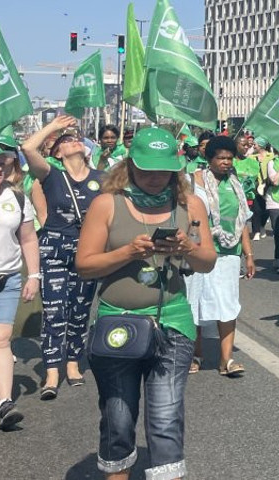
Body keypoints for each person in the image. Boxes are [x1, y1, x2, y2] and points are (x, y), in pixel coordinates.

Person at [76, 127, 217, 478]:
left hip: (172, 322)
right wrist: (126, 252)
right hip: (117, 324)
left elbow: (207, 262)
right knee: (118, 417)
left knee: (166, 417)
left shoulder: (191, 204)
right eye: (146, 169)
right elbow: (84, 266)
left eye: (163, 169)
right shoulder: (107, 203)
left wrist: (188, 248)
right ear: (130, 165)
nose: (155, 178)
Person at [20, 115, 105, 400]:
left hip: (88, 251)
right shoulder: (52, 175)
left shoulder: (100, 179)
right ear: (57, 152)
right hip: (54, 248)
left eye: (76, 139)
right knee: (55, 311)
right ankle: (52, 369)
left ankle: (73, 363)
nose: (73, 141)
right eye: (66, 141)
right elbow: (28, 148)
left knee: (81, 310)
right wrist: (54, 128)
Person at [0, 139, 39, 429]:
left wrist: (33, 275)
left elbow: (28, 238)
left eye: (0, 162)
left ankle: (4, 403)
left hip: (3, 282)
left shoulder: (16, 198)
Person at [187, 136, 253, 376]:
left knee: (227, 304)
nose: (226, 162)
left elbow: (242, 220)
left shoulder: (235, 184)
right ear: (210, 159)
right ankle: (195, 354)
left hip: (228, 253)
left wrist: (248, 254)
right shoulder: (194, 181)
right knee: (195, 303)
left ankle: (227, 360)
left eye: (229, 158)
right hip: (200, 253)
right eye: (221, 158)